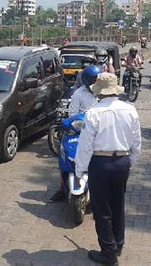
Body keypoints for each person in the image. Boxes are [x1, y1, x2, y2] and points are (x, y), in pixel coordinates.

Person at [74, 73, 141, 265]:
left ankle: (108, 252)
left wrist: (79, 172)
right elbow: (137, 140)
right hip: (122, 161)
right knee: (117, 203)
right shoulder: (130, 110)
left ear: (100, 93)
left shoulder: (94, 113)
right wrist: (131, 160)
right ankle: (118, 243)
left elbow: (85, 146)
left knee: (102, 208)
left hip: (100, 163)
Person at [48, 65, 101, 203]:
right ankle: (61, 189)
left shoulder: (103, 92)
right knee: (64, 158)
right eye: (93, 80)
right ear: (87, 80)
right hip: (79, 129)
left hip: (99, 132)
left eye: (98, 80)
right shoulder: (78, 93)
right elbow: (72, 113)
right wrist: (82, 120)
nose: (95, 83)